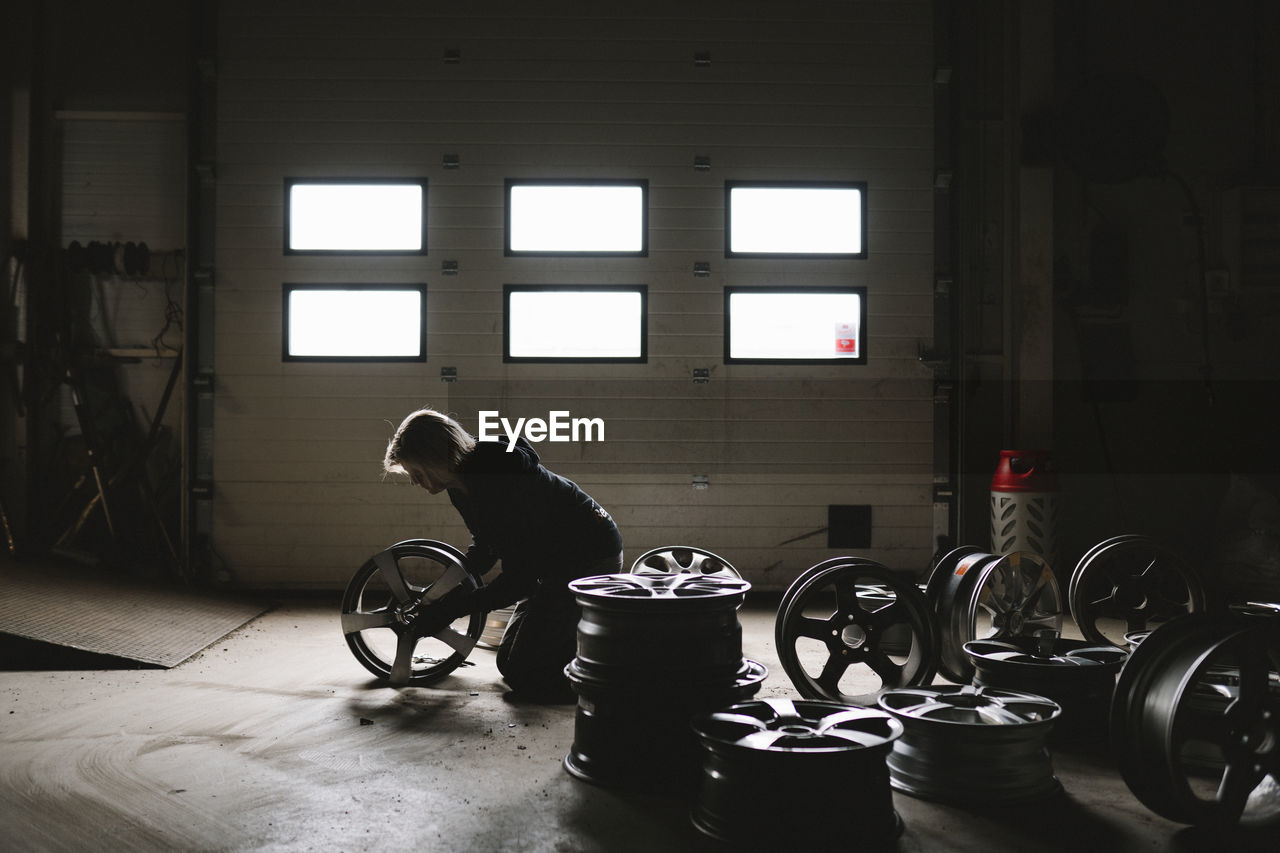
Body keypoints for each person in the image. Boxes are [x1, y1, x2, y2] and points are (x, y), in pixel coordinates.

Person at [383, 406, 623, 702]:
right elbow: (486, 546)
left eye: (416, 472)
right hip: (551, 564)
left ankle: (608, 677)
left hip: (587, 560)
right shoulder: (459, 485)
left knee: (527, 675)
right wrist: (446, 591)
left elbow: (518, 581)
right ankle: (573, 641)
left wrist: (453, 607)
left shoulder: (505, 481)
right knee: (508, 662)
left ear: (435, 457)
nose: (415, 482)